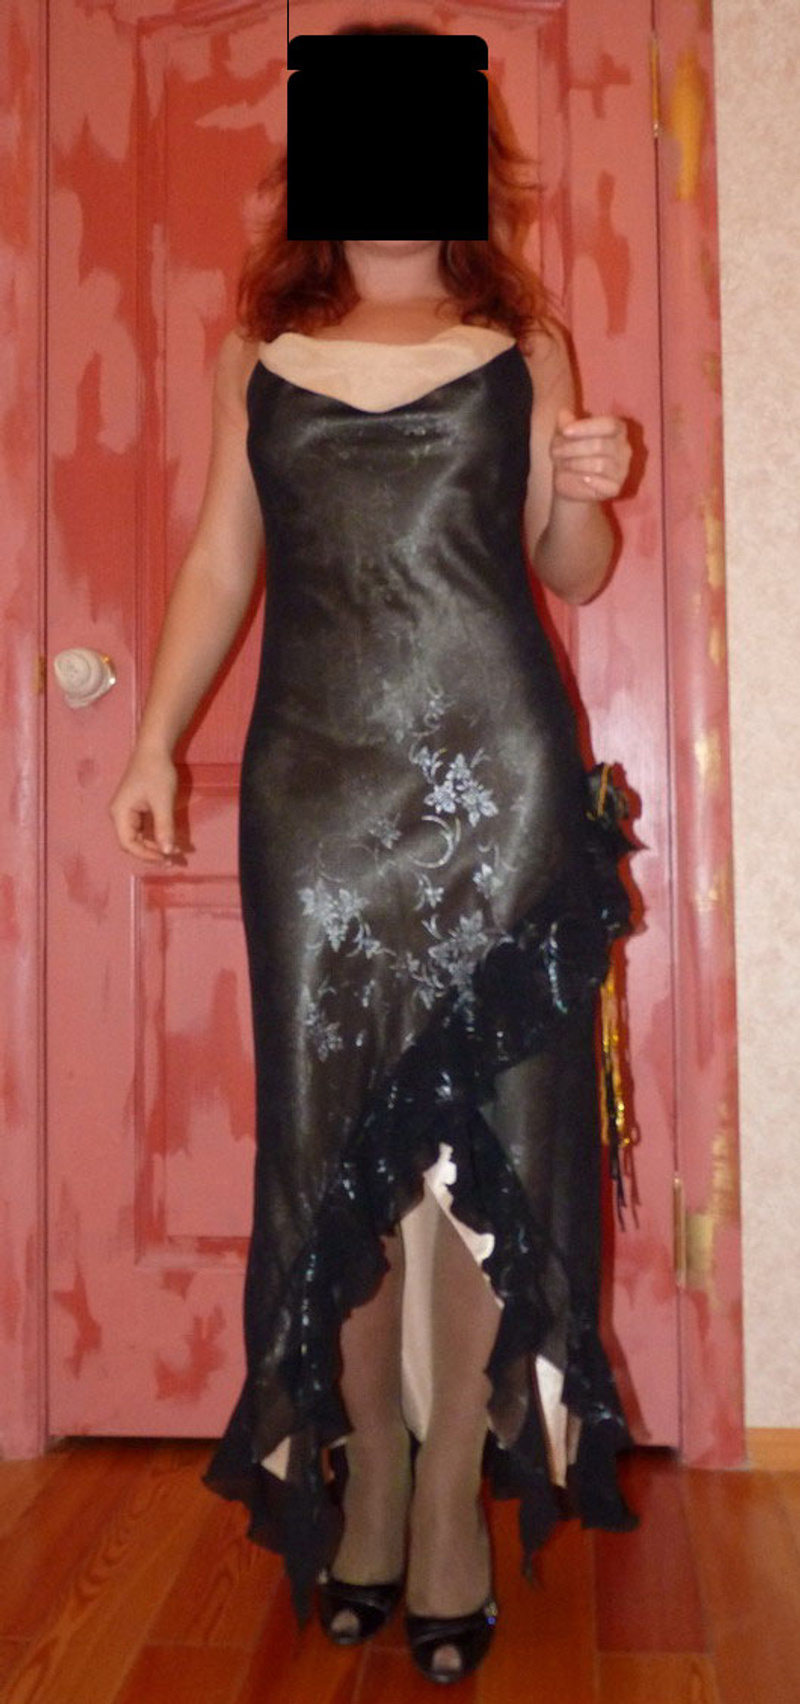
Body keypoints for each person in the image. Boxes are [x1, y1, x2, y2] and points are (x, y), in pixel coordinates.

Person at [109, 21, 641, 1687]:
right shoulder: (253, 354)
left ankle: (450, 1507)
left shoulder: (525, 339)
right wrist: (152, 737)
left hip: (499, 786)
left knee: (483, 1165)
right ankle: (374, 1483)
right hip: (316, 801)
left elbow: (575, 568)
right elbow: (220, 560)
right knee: (335, 1158)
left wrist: (590, 481)